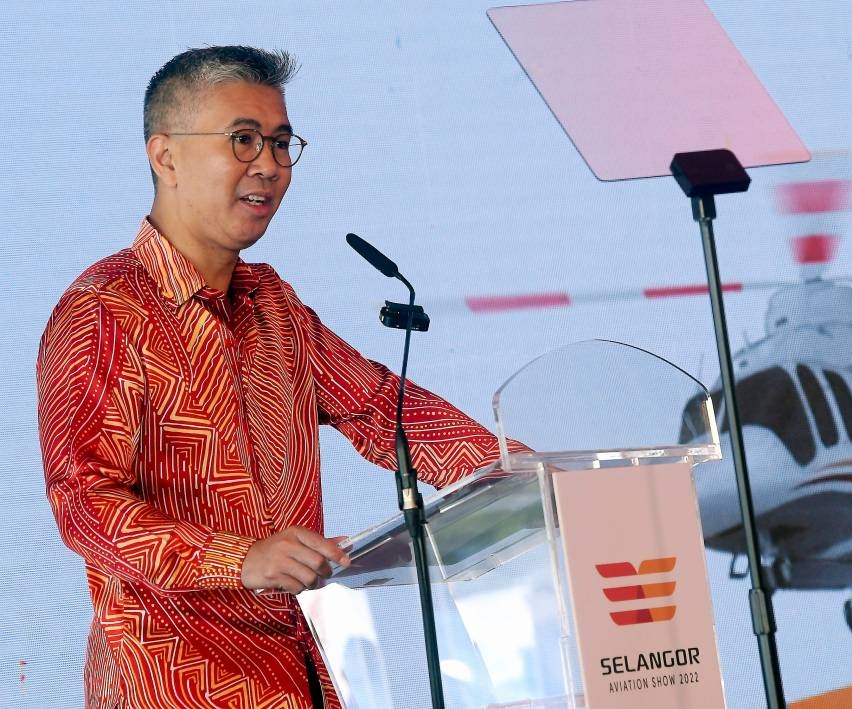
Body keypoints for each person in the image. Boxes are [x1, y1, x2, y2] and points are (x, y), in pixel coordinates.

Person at [37, 46, 515, 709]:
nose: (269, 165)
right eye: (242, 140)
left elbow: (379, 407)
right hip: (172, 680)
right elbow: (82, 500)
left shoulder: (274, 306)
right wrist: (238, 558)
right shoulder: (106, 309)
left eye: (282, 143)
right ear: (166, 156)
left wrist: (517, 473)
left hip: (297, 674)